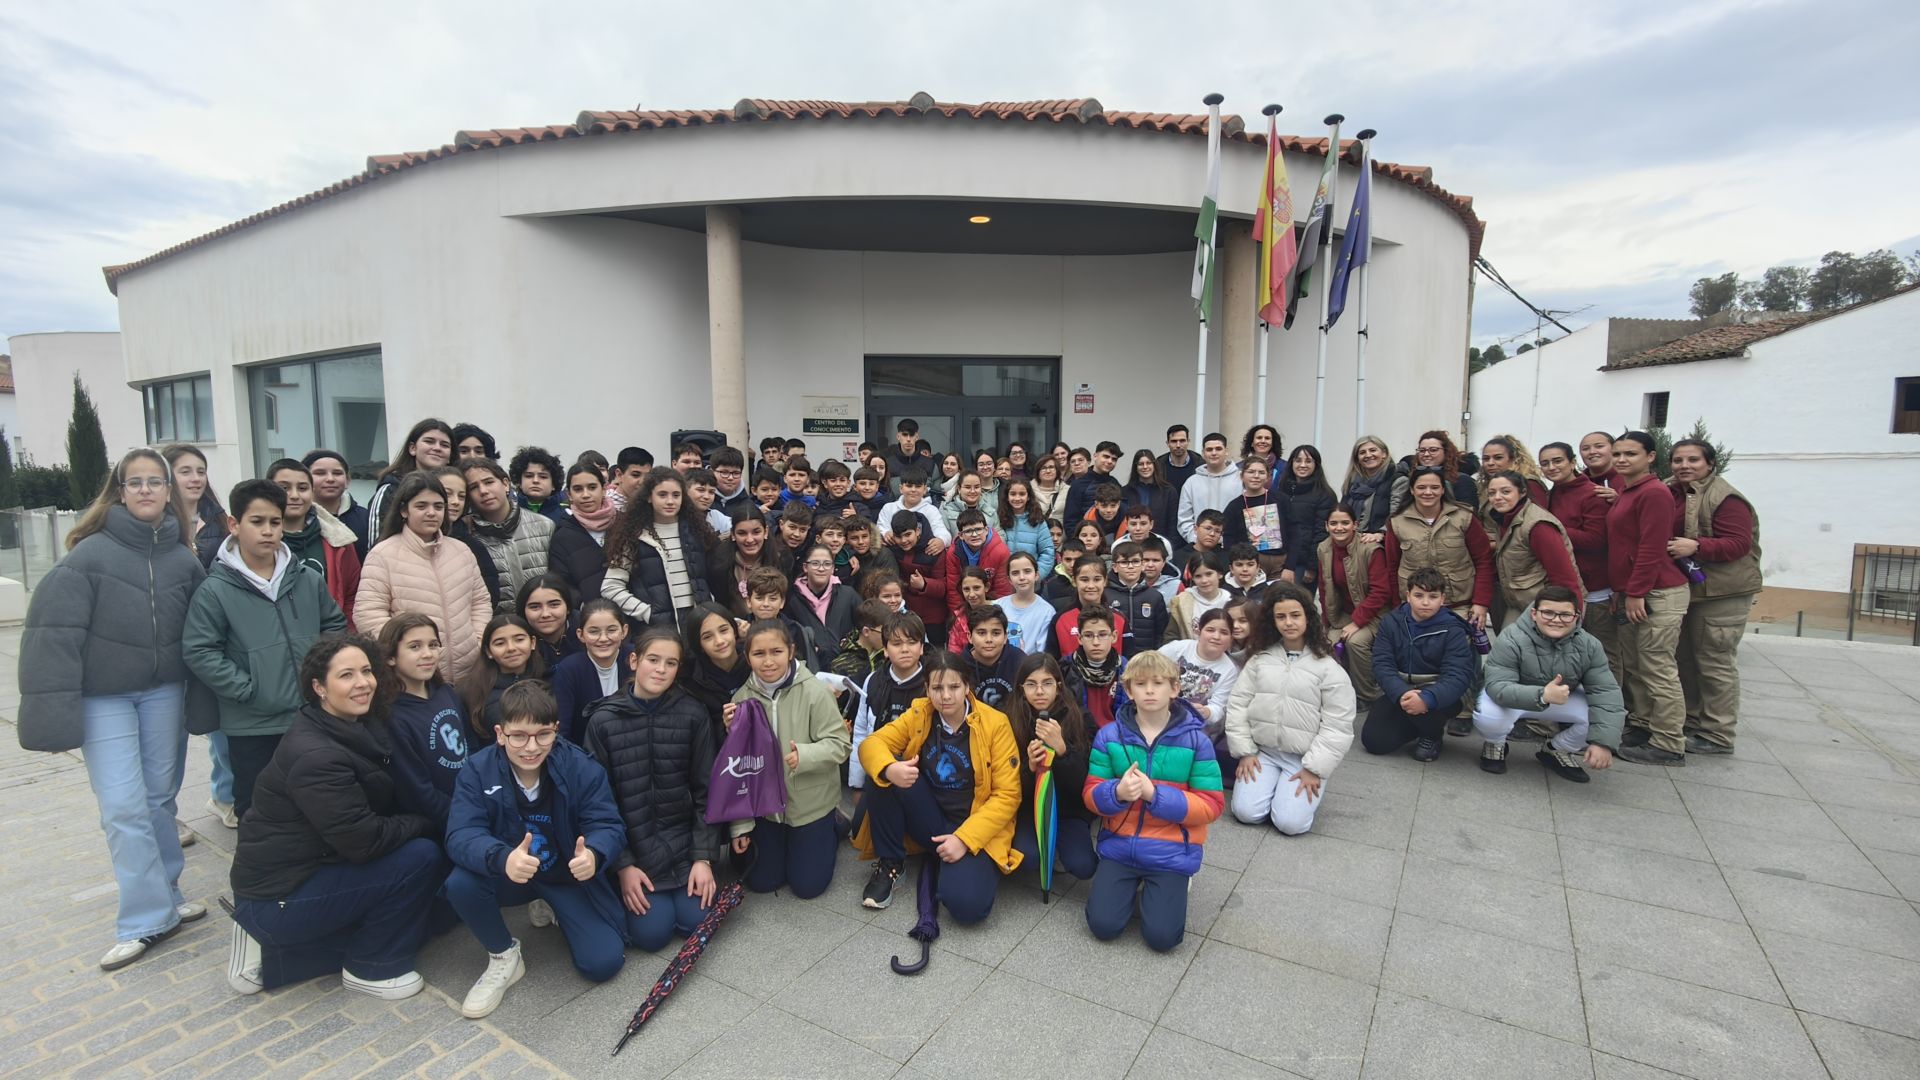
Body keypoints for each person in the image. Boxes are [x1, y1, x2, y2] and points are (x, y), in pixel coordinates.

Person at [18, 448, 209, 970]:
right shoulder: (88, 556)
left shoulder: (182, 558)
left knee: (159, 799)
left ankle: (167, 896)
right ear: (119, 492)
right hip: (105, 699)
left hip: (163, 694)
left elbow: (203, 635)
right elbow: (52, 636)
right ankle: (143, 920)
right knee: (123, 806)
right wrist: (51, 712)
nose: (146, 490)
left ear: (170, 492)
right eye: (135, 482)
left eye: (155, 481)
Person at [227, 635, 445, 999]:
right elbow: (365, 842)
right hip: (279, 895)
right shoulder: (317, 756)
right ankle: (371, 967)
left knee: (434, 919)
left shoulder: (352, 722)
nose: (362, 683)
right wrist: (424, 822)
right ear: (319, 687)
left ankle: (274, 958)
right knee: (421, 858)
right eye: (346, 675)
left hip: (314, 865)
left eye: (366, 671)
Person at [444, 681, 629, 1018]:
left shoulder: (581, 767)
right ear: (500, 734)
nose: (531, 747)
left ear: (556, 730)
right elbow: (460, 834)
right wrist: (502, 857)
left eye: (543, 734)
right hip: (510, 872)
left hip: (562, 874)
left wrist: (595, 854)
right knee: (460, 883)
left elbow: (608, 825)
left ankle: (550, 905)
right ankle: (503, 956)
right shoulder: (477, 769)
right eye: (519, 736)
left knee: (603, 962)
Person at [184, 479, 348, 820]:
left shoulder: (305, 579)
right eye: (257, 522)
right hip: (252, 724)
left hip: (308, 714)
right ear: (234, 524)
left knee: (314, 799)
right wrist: (247, 689)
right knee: (258, 808)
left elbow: (334, 626)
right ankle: (262, 873)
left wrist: (319, 676)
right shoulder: (215, 590)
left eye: (275, 522)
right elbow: (200, 650)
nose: (268, 531)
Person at [855, 650, 1023, 917]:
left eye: (954, 687)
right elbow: (871, 744)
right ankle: (891, 863)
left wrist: (964, 840)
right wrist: (889, 768)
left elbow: (1007, 796)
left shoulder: (995, 724)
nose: (945, 696)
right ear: (927, 689)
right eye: (937, 687)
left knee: (969, 909)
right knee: (884, 772)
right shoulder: (920, 713)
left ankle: (956, 862)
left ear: (967, 687)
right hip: (929, 815)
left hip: (971, 823)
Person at [584, 630, 722, 952]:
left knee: (699, 922)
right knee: (651, 936)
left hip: (684, 845)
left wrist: (703, 857)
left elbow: (707, 789)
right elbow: (597, 803)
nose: (661, 669)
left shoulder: (692, 713)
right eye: (653, 660)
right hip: (636, 850)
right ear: (634, 661)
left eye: (671, 663)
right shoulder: (603, 720)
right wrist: (623, 866)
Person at [1083, 651, 1223, 951]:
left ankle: (1171, 884)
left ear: (1174, 689)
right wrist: (1116, 793)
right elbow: (1091, 794)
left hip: (1171, 850)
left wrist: (1155, 796)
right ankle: (1133, 887)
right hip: (1119, 847)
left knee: (1162, 939)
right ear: (1129, 691)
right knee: (1103, 926)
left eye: (1158, 683)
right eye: (1140, 683)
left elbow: (1211, 805)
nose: (1149, 690)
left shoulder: (1197, 741)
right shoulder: (1109, 736)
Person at [727, 620, 851, 899]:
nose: (768, 661)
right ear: (747, 657)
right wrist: (741, 826)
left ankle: (835, 825)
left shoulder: (814, 692)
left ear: (791, 651)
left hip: (810, 804)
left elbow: (841, 745)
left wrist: (805, 755)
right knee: (762, 881)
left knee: (807, 887)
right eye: (759, 654)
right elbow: (737, 771)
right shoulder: (742, 699)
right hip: (767, 809)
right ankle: (782, 841)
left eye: (776, 652)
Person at [1225, 583, 1356, 834]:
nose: (1289, 622)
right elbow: (1238, 704)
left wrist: (1315, 768)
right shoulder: (1261, 659)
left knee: (1290, 824)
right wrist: (1245, 752)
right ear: (1272, 621)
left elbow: (1338, 724)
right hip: (1263, 753)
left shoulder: (1328, 668)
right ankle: (1272, 789)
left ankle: (1293, 796)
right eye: (1281, 616)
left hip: (1303, 759)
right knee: (1246, 813)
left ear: (1308, 617)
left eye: (1295, 615)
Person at [1667, 438, 1762, 755]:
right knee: (1685, 660)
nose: (1685, 466)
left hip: (1723, 592)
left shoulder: (1725, 497)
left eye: (1693, 460)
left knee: (1714, 662)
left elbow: (1738, 544)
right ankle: (1691, 722)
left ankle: (1718, 734)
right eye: (1678, 460)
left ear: (1709, 463)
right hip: (1690, 589)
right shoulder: (1672, 490)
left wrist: (1697, 546)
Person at [1473, 586, 1623, 782]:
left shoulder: (1589, 645)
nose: (1556, 620)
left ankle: (1557, 750)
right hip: (1514, 699)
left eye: (1565, 615)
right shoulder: (1511, 637)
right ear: (1534, 614)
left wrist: (1603, 743)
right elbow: (1498, 686)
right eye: (1548, 613)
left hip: (1559, 698)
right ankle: (1495, 743)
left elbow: (1606, 693)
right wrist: (1542, 695)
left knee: (1599, 716)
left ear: (1576, 616)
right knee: (1488, 714)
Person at [354, 470, 493, 682]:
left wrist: (476, 641)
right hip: (413, 679)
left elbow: (480, 601)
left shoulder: (461, 550)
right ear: (404, 510)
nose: (431, 513)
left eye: (438, 506)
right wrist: (407, 653)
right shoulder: (382, 555)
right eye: (421, 506)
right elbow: (369, 614)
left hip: (469, 674)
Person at [1608, 431, 1693, 766]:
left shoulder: (1655, 493)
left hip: (1657, 591)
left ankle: (1670, 742)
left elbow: (1650, 547)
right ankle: (1644, 725)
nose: (1622, 459)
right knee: (1639, 666)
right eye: (1617, 454)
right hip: (1633, 591)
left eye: (1630, 453)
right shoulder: (1628, 491)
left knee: (1657, 666)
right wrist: (1622, 590)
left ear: (1650, 457)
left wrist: (1636, 592)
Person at [1363, 568, 1477, 762]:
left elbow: (1458, 675)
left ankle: (1432, 735)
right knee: (1375, 742)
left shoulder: (1454, 629)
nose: (1425, 602)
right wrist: (1401, 693)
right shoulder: (1391, 622)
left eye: (1433, 596)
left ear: (1442, 599)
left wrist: (1427, 698)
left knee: (1427, 711)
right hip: (1402, 688)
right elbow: (1382, 664)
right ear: (1408, 596)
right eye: (1418, 595)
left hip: (1439, 691)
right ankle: (1415, 722)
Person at [1004, 653, 1100, 883]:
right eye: (1031, 684)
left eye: (1047, 683)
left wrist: (1064, 751)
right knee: (1027, 859)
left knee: (1084, 866)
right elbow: (1007, 785)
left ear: (1058, 687)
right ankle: (1044, 848)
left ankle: (1061, 848)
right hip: (1029, 807)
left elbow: (1086, 784)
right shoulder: (1008, 719)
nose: (1039, 691)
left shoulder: (1080, 717)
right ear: (1021, 688)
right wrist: (1029, 767)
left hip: (1069, 808)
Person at [378, 613, 469, 830]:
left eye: (433, 645)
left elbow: (470, 745)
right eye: (415, 647)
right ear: (391, 656)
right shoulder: (392, 716)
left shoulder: (446, 692)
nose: (428, 654)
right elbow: (417, 792)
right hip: (444, 821)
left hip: (471, 801)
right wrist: (463, 817)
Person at [1382, 466, 1494, 639]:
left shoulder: (1464, 517)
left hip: (1460, 606)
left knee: (1461, 653)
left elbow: (1483, 560)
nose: (1428, 492)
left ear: (1443, 489)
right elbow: (1392, 566)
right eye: (1421, 487)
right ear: (1412, 490)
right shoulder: (1397, 522)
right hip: (1416, 606)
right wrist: (1399, 606)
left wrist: (1481, 603)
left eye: (1434, 487)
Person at [1539, 441, 1619, 682]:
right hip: (1563, 586)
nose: (1551, 467)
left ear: (1573, 462)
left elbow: (1596, 539)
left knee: (1603, 652)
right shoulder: (1552, 494)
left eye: (1557, 461)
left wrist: (1553, 530)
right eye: (1545, 463)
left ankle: (1610, 709)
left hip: (1593, 586)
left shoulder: (1592, 493)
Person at [603, 467, 714, 631]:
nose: (670, 501)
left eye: (676, 495)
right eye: (662, 495)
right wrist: (647, 613)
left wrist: (709, 607)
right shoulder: (634, 536)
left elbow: (706, 579)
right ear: (649, 497)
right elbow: (610, 587)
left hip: (699, 622)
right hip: (659, 628)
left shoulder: (697, 531)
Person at [268, 458, 363, 623]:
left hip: (330, 640)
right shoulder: (258, 543)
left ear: (312, 492)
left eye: (303, 488)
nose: (294, 495)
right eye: (284, 488)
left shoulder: (340, 540)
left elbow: (351, 597)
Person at [1483, 471, 1584, 626]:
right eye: (1492, 493)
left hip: (1548, 605)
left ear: (1523, 492)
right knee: (1507, 647)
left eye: (1506, 492)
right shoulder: (1501, 519)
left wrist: (1569, 616)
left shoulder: (1538, 526)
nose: (1497, 497)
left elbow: (1564, 576)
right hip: (1519, 603)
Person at [1318, 504, 1391, 705]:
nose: (1339, 528)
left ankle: (1367, 695)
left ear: (1355, 525)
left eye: (1345, 523)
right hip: (1344, 614)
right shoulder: (1323, 548)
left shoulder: (1370, 549)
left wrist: (1357, 622)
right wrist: (1326, 623)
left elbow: (1381, 592)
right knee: (1328, 643)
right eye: (1333, 523)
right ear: (1326, 526)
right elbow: (1324, 589)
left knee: (1355, 642)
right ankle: (1339, 693)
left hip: (1375, 614)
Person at [464, 458, 555, 612]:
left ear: (505, 484)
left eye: (488, 482)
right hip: (501, 628)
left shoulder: (544, 526)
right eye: (473, 487)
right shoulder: (469, 539)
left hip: (545, 620)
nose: (483, 491)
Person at [849, 612, 928, 788]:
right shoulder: (873, 681)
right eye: (896, 644)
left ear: (922, 647)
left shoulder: (932, 684)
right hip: (878, 771)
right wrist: (857, 783)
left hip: (919, 777)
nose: (905, 649)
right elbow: (861, 731)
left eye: (912, 642)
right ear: (885, 650)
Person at [1158, 608, 1240, 765]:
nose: (1216, 636)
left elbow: (1218, 709)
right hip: (1159, 710)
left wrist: (1206, 712)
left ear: (1231, 637)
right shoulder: (1177, 648)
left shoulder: (1230, 670)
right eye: (1210, 630)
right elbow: (1148, 668)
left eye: (1224, 632)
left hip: (1193, 724)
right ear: (1198, 630)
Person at [367, 419, 456, 546]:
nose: (437, 448)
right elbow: (376, 543)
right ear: (412, 448)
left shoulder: (458, 491)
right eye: (429, 441)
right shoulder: (390, 489)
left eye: (444, 445)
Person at [431, 464, 506, 609]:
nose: (455, 502)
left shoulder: (472, 545)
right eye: (447, 493)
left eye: (462, 496)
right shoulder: (399, 543)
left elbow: (489, 597)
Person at [458, 613, 548, 732]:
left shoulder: (549, 680)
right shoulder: (469, 690)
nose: (511, 648)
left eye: (519, 640)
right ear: (488, 651)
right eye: (500, 643)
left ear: (532, 643)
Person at [547, 461, 618, 606]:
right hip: (590, 619)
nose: (586, 495)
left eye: (592, 487)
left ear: (604, 489)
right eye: (578, 489)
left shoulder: (624, 524)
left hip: (631, 614)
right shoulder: (562, 536)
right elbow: (563, 584)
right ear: (569, 494)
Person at [679, 603, 751, 744]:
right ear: (698, 645)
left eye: (724, 630)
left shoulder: (755, 663)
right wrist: (725, 727)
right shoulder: (692, 682)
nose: (719, 641)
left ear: (735, 631)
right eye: (707, 637)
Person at [708, 505, 790, 619]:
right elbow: (721, 604)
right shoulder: (719, 563)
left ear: (765, 532)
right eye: (742, 533)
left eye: (756, 532)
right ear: (733, 534)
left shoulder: (782, 558)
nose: (750, 539)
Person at [788, 543, 860, 668]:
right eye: (815, 563)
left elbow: (864, 626)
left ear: (833, 568)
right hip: (810, 668)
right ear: (805, 567)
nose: (821, 569)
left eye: (827, 564)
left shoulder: (848, 595)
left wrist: (851, 645)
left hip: (846, 667)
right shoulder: (792, 599)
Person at [885, 511, 949, 644]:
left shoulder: (934, 550)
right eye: (898, 536)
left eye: (908, 535)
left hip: (932, 618)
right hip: (905, 613)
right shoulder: (893, 548)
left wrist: (924, 584)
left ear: (918, 531)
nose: (903, 541)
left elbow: (943, 587)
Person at [1279, 445, 1336, 589]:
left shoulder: (1325, 494)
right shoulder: (1282, 489)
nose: (1302, 465)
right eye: (1298, 461)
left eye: (1308, 461)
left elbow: (1322, 533)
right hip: (1280, 560)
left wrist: (1312, 566)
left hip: (1303, 564)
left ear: (1316, 465)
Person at [1220, 456, 1287, 578]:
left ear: (1268, 476)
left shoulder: (1281, 500)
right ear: (1242, 476)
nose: (1256, 476)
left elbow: (1294, 532)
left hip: (1280, 564)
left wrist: (1290, 567)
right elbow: (1229, 541)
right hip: (1249, 565)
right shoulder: (1234, 506)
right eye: (1251, 472)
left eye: (1261, 472)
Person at [163, 443, 228, 568]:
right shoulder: (157, 524)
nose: (196, 478)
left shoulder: (220, 519)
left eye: (201, 472)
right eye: (185, 472)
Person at [1051, 556, 1128, 659]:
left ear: (1105, 581)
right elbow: (1053, 662)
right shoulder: (1060, 619)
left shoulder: (1120, 619)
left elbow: (1130, 662)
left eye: (1097, 579)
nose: (1091, 585)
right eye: (1084, 579)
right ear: (1074, 581)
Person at [1340, 436, 1407, 543]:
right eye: (1362, 452)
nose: (1368, 455)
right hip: (1352, 541)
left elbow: (1397, 516)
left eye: (1373, 450)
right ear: (1357, 458)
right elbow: (1341, 514)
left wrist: (1381, 534)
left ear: (1384, 454)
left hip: (1379, 542)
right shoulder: (1352, 483)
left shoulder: (1398, 480)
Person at [1176, 433, 1241, 545]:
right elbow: (1184, 519)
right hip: (1200, 547)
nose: (1214, 453)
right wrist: (1198, 540)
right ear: (1203, 453)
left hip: (1231, 547)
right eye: (1209, 449)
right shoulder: (1191, 482)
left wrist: (1227, 540)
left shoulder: (1240, 480)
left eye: (1218, 449)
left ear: (1226, 451)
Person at [304, 449, 371, 556]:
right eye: (320, 473)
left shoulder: (365, 518)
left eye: (337, 473)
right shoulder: (298, 519)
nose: (330, 479)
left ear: (347, 480)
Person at [1106, 540, 1169, 652]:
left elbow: (1161, 634)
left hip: (1146, 659)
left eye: (1135, 561)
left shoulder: (1154, 597)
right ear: (1115, 567)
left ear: (1142, 565)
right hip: (1114, 658)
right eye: (1124, 562)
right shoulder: (1104, 595)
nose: (1130, 566)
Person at [961, 604, 1024, 709]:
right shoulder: (959, 666)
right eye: (981, 633)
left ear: (1005, 637)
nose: (989, 639)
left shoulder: (1020, 661)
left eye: (996, 633)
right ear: (970, 637)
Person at [994, 551, 1056, 657]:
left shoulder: (1047, 612)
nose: (1022, 577)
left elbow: (1042, 653)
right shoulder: (997, 606)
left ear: (1036, 575)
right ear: (1009, 579)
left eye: (1027, 571)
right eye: (1015, 573)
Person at [997, 477, 1058, 579]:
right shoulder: (998, 519)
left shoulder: (1038, 521)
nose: (1017, 498)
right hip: (1005, 580)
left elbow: (1047, 552)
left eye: (1022, 494)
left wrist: (1037, 575)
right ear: (1007, 497)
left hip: (1031, 581)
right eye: (1013, 494)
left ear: (1028, 496)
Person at [516, 574, 578, 669]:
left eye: (554, 605)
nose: (545, 614)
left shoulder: (588, 628)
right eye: (535, 607)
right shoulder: (515, 641)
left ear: (568, 607)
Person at [879, 468, 953, 547]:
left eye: (918, 486)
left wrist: (941, 541)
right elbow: (880, 529)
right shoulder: (888, 508)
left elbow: (944, 534)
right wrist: (885, 533)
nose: (913, 490)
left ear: (925, 489)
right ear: (901, 488)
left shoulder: (931, 510)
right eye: (909, 486)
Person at [1168, 550, 1232, 640]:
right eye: (1198, 576)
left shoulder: (1231, 602)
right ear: (1193, 578)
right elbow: (1171, 636)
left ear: (1220, 574)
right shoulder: (1180, 602)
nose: (1204, 580)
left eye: (1209, 574)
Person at [1412, 431, 1480, 507]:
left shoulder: (1462, 480)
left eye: (1433, 450)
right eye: (1422, 450)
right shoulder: (1412, 479)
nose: (1426, 454)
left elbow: (1469, 515)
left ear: (1446, 452)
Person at [1123, 450, 1179, 541]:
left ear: (1154, 465)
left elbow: (1173, 523)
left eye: (1148, 463)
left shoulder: (1168, 491)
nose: (1145, 467)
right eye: (1141, 464)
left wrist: (1170, 546)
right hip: (1132, 544)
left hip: (1160, 543)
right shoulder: (1125, 491)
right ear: (1135, 467)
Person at [1479, 436, 1550, 507]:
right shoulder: (1484, 487)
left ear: (1513, 459)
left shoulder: (1529, 483)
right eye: (1486, 458)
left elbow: (1539, 515)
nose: (1490, 463)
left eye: (1498, 458)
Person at [1062, 441, 1121, 525]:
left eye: (1114, 459)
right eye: (1106, 456)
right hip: (1085, 536)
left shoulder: (1115, 483)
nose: (1110, 461)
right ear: (1095, 456)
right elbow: (1070, 521)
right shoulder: (1078, 484)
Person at [508, 446, 568, 524]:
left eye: (543, 477)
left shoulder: (566, 513)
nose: (535, 481)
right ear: (519, 482)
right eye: (529, 476)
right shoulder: (508, 511)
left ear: (553, 484)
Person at [941, 471, 1000, 540]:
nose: (972, 491)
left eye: (977, 487)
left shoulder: (990, 511)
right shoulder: (946, 511)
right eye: (968, 487)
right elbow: (944, 538)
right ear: (959, 489)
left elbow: (1000, 534)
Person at [1578, 431, 1621, 503]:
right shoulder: (1577, 483)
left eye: (1599, 446)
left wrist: (1620, 501)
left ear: (1614, 449)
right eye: (1585, 449)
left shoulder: (1629, 479)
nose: (1592, 452)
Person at [1156, 424, 1200, 491]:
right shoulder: (1158, 465)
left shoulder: (1200, 464)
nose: (1178, 445)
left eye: (1182, 441)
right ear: (1167, 443)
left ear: (1188, 442)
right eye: (1174, 441)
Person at [1029, 454, 1069, 523]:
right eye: (1043, 468)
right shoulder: (1028, 489)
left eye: (1051, 467)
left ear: (1057, 471)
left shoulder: (1067, 490)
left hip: (1059, 532)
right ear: (1038, 471)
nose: (1048, 471)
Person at [709, 446, 752, 511]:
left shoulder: (748, 505)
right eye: (724, 472)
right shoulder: (702, 500)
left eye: (736, 473)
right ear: (712, 471)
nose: (730, 478)